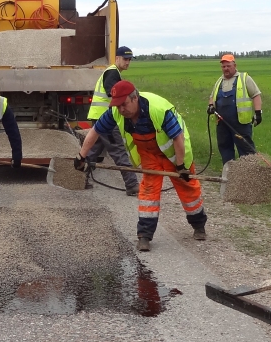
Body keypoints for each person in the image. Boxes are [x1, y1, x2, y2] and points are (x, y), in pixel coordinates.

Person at [76, 81, 208, 251]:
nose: (121, 109)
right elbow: (95, 132)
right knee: (148, 192)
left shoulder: (158, 110)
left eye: (124, 104)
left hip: (174, 153)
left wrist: (181, 166)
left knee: (188, 188)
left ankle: (199, 225)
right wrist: (81, 156)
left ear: (135, 98)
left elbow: (178, 138)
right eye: (118, 105)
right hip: (149, 155)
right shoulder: (116, 112)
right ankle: (144, 235)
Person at [86, 46, 140, 196]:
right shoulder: (112, 73)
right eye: (125, 59)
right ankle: (131, 185)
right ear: (117, 58)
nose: (128, 62)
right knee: (118, 150)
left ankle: (78, 178)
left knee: (92, 151)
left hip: (99, 116)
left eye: (129, 59)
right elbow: (114, 94)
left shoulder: (112, 72)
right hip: (106, 119)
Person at [207, 54, 263, 163]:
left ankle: (250, 175)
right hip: (222, 123)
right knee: (225, 148)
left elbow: (256, 95)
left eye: (228, 66)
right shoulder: (219, 81)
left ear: (234, 65)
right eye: (223, 67)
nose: (226, 69)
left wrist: (258, 113)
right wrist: (210, 106)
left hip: (241, 123)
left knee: (246, 149)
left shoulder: (244, 78)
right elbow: (212, 97)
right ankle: (230, 174)